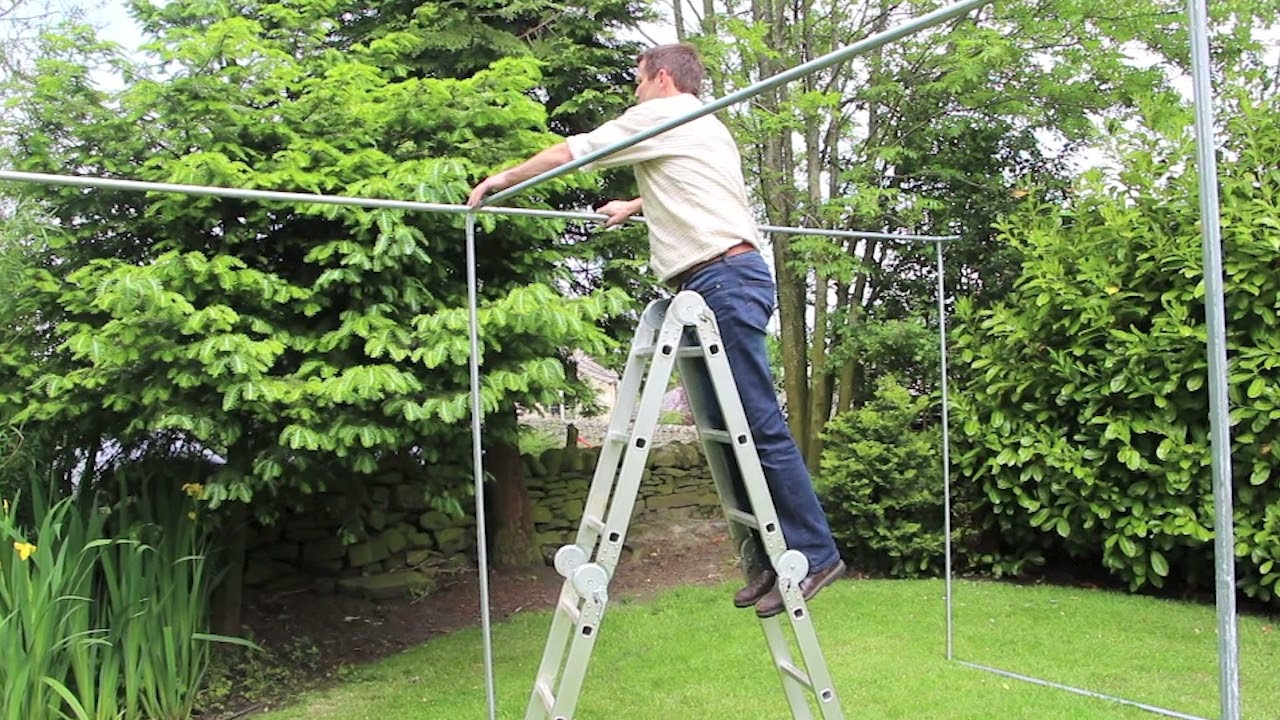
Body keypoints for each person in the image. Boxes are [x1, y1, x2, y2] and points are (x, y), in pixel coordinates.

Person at [467, 42, 844, 619]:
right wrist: (637, 203)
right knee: (725, 430)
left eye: (639, 81)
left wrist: (503, 179)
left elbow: (577, 150)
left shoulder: (664, 113)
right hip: (720, 278)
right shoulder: (706, 126)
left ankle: (816, 554)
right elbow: (697, 188)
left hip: (722, 279)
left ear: (661, 78)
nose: (635, 92)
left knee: (758, 427)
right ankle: (774, 556)